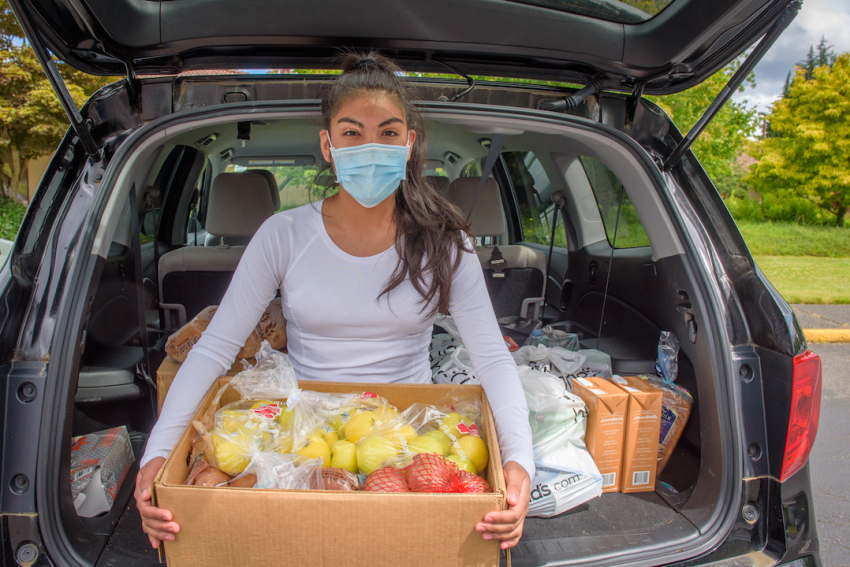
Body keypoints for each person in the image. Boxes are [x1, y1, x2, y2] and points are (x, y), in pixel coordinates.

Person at [135, 52, 535, 551]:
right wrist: (158, 451)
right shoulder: (283, 235)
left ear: (410, 144)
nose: (371, 146)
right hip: (304, 436)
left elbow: (492, 357)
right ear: (328, 145)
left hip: (408, 437)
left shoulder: (445, 242)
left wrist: (519, 460)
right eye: (351, 132)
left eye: (389, 133)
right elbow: (216, 347)